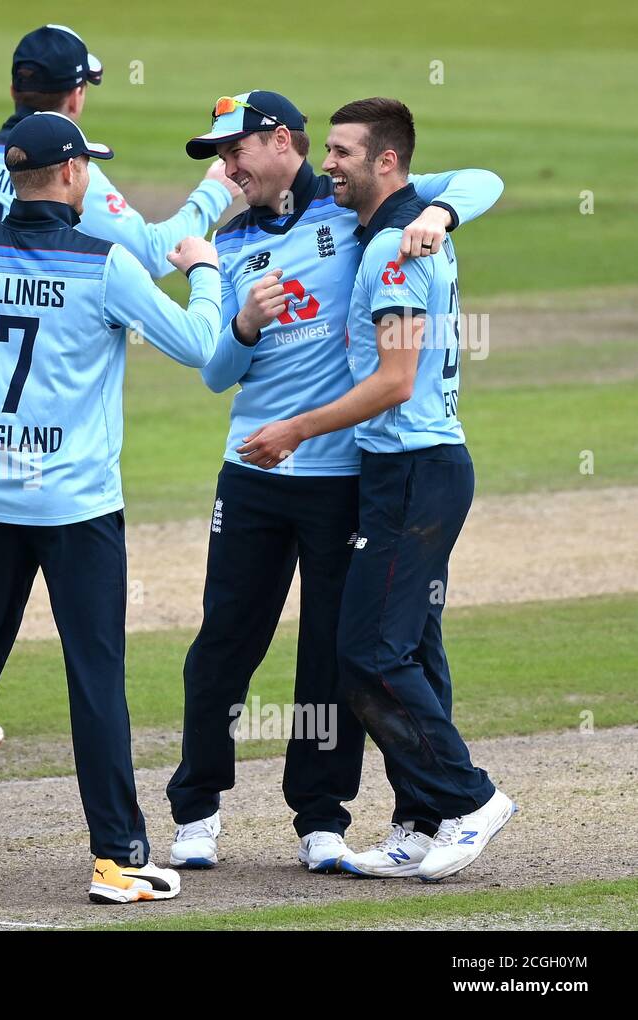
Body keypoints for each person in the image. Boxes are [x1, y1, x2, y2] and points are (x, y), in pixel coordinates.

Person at [0, 112, 223, 904]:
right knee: (95, 673)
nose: (90, 176)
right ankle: (119, 855)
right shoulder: (102, 265)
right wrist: (206, 268)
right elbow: (201, 346)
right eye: (86, 168)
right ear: (67, 177)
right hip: (77, 503)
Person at [165, 91, 505, 874]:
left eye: (234, 153)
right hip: (253, 469)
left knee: (335, 651)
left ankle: (320, 817)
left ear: (280, 141)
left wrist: (443, 216)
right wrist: (243, 319)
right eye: (217, 160)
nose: (227, 171)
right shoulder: (238, 241)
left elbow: (480, 180)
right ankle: (198, 809)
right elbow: (219, 373)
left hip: (343, 472)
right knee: (223, 644)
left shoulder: (361, 214)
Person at [0, 23, 242, 754]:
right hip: (31, 386)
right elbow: (147, 253)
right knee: (56, 597)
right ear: (77, 93)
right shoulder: (69, 165)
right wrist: (210, 200)